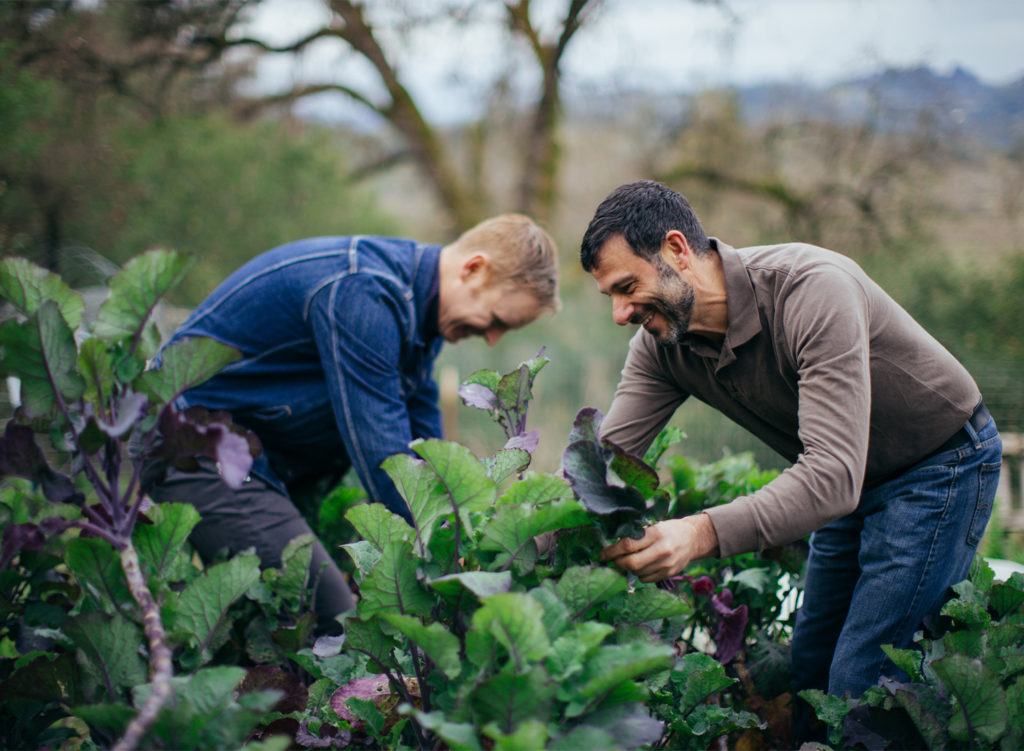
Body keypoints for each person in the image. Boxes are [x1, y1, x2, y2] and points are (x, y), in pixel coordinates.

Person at [581, 181, 1001, 706]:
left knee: (863, 680)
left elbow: (831, 476)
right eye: (611, 298)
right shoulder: (663, 347)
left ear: (676, 250)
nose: (620, 313)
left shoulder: (810, 289)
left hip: (938, 464)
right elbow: (599, 469)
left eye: (626, 287)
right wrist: (509, 543)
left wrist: (699, 533)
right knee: (810, 671)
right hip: (848, 481)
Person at [144, 215, 560, 624]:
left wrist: (467, 529)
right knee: (331, 615)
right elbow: (385, 456)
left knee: (284, 618)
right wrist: (456, 560)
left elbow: (428, 448)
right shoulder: (363, 292)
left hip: (247, 454)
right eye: (497, 321)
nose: (491, 338)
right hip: (191, 439)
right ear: (474, 269)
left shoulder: (417, 316)